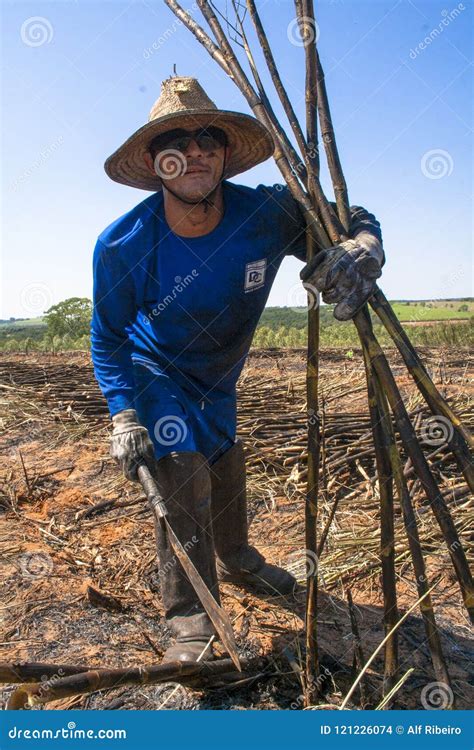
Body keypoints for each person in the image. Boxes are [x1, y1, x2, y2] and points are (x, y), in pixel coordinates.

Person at [91, 76, 384, 663]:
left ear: (225, 155)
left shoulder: (267, 214)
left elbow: (350, 216)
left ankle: (239, 558)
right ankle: (190, 615)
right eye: (177, 139)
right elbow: (108, 336)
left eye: (209, 138)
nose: (195, 149)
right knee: (181, 462)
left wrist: (363, 247)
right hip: (157, 368)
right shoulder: (123, 243)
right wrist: (124, 415)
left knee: (223, 454)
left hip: (220, 374)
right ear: (154, 161)